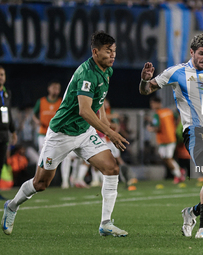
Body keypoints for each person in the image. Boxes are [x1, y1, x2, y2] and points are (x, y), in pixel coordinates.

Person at [1, 31, 129, 237]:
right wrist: (109, 133)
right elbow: (84, 110)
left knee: (112, 168)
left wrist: (104, 120)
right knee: (40, 184)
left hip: (84, 131)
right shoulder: (86, 73)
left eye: (114, 51)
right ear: (95, 52)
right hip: (61, 133)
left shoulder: (106, 70)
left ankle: (106, 223)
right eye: (108, 52)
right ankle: (12, 205)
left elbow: (99, 98)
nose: (113, 55)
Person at [139, 34, 203, 239]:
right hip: (195, 131)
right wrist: (144, 80)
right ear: (192, 52)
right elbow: (146, 90)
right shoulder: (176, 72)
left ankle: (191, 212)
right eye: (201, 54)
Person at [147, 96, 185, 184]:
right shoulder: (169, 111)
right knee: (165, 157)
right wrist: (175, 127)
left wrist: (150, 129)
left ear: (157, 103)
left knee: (167, 158)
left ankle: (179, 175)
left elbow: (157, 127)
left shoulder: (157, 114)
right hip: (171, 137)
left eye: (152, 103)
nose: (152, 106)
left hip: (164, 139)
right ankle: (179, 170)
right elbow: (178, 118)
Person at [0, 66, 17, 200]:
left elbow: (9, 113)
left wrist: (13, 131)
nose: (1, 77)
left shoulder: (6, 94)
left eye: (2, 74)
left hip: (4, 134)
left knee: (0, 163)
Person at [32, 81, 62, 152]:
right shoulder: (41, 101)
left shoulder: (61, 102)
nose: (55, 90)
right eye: (54, 88)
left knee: (53, 155)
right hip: (43, 132)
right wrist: (37, 121)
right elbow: (33, 114)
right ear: (49, 88)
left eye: (57, 88)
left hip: (56, 133)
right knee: (42, 154)